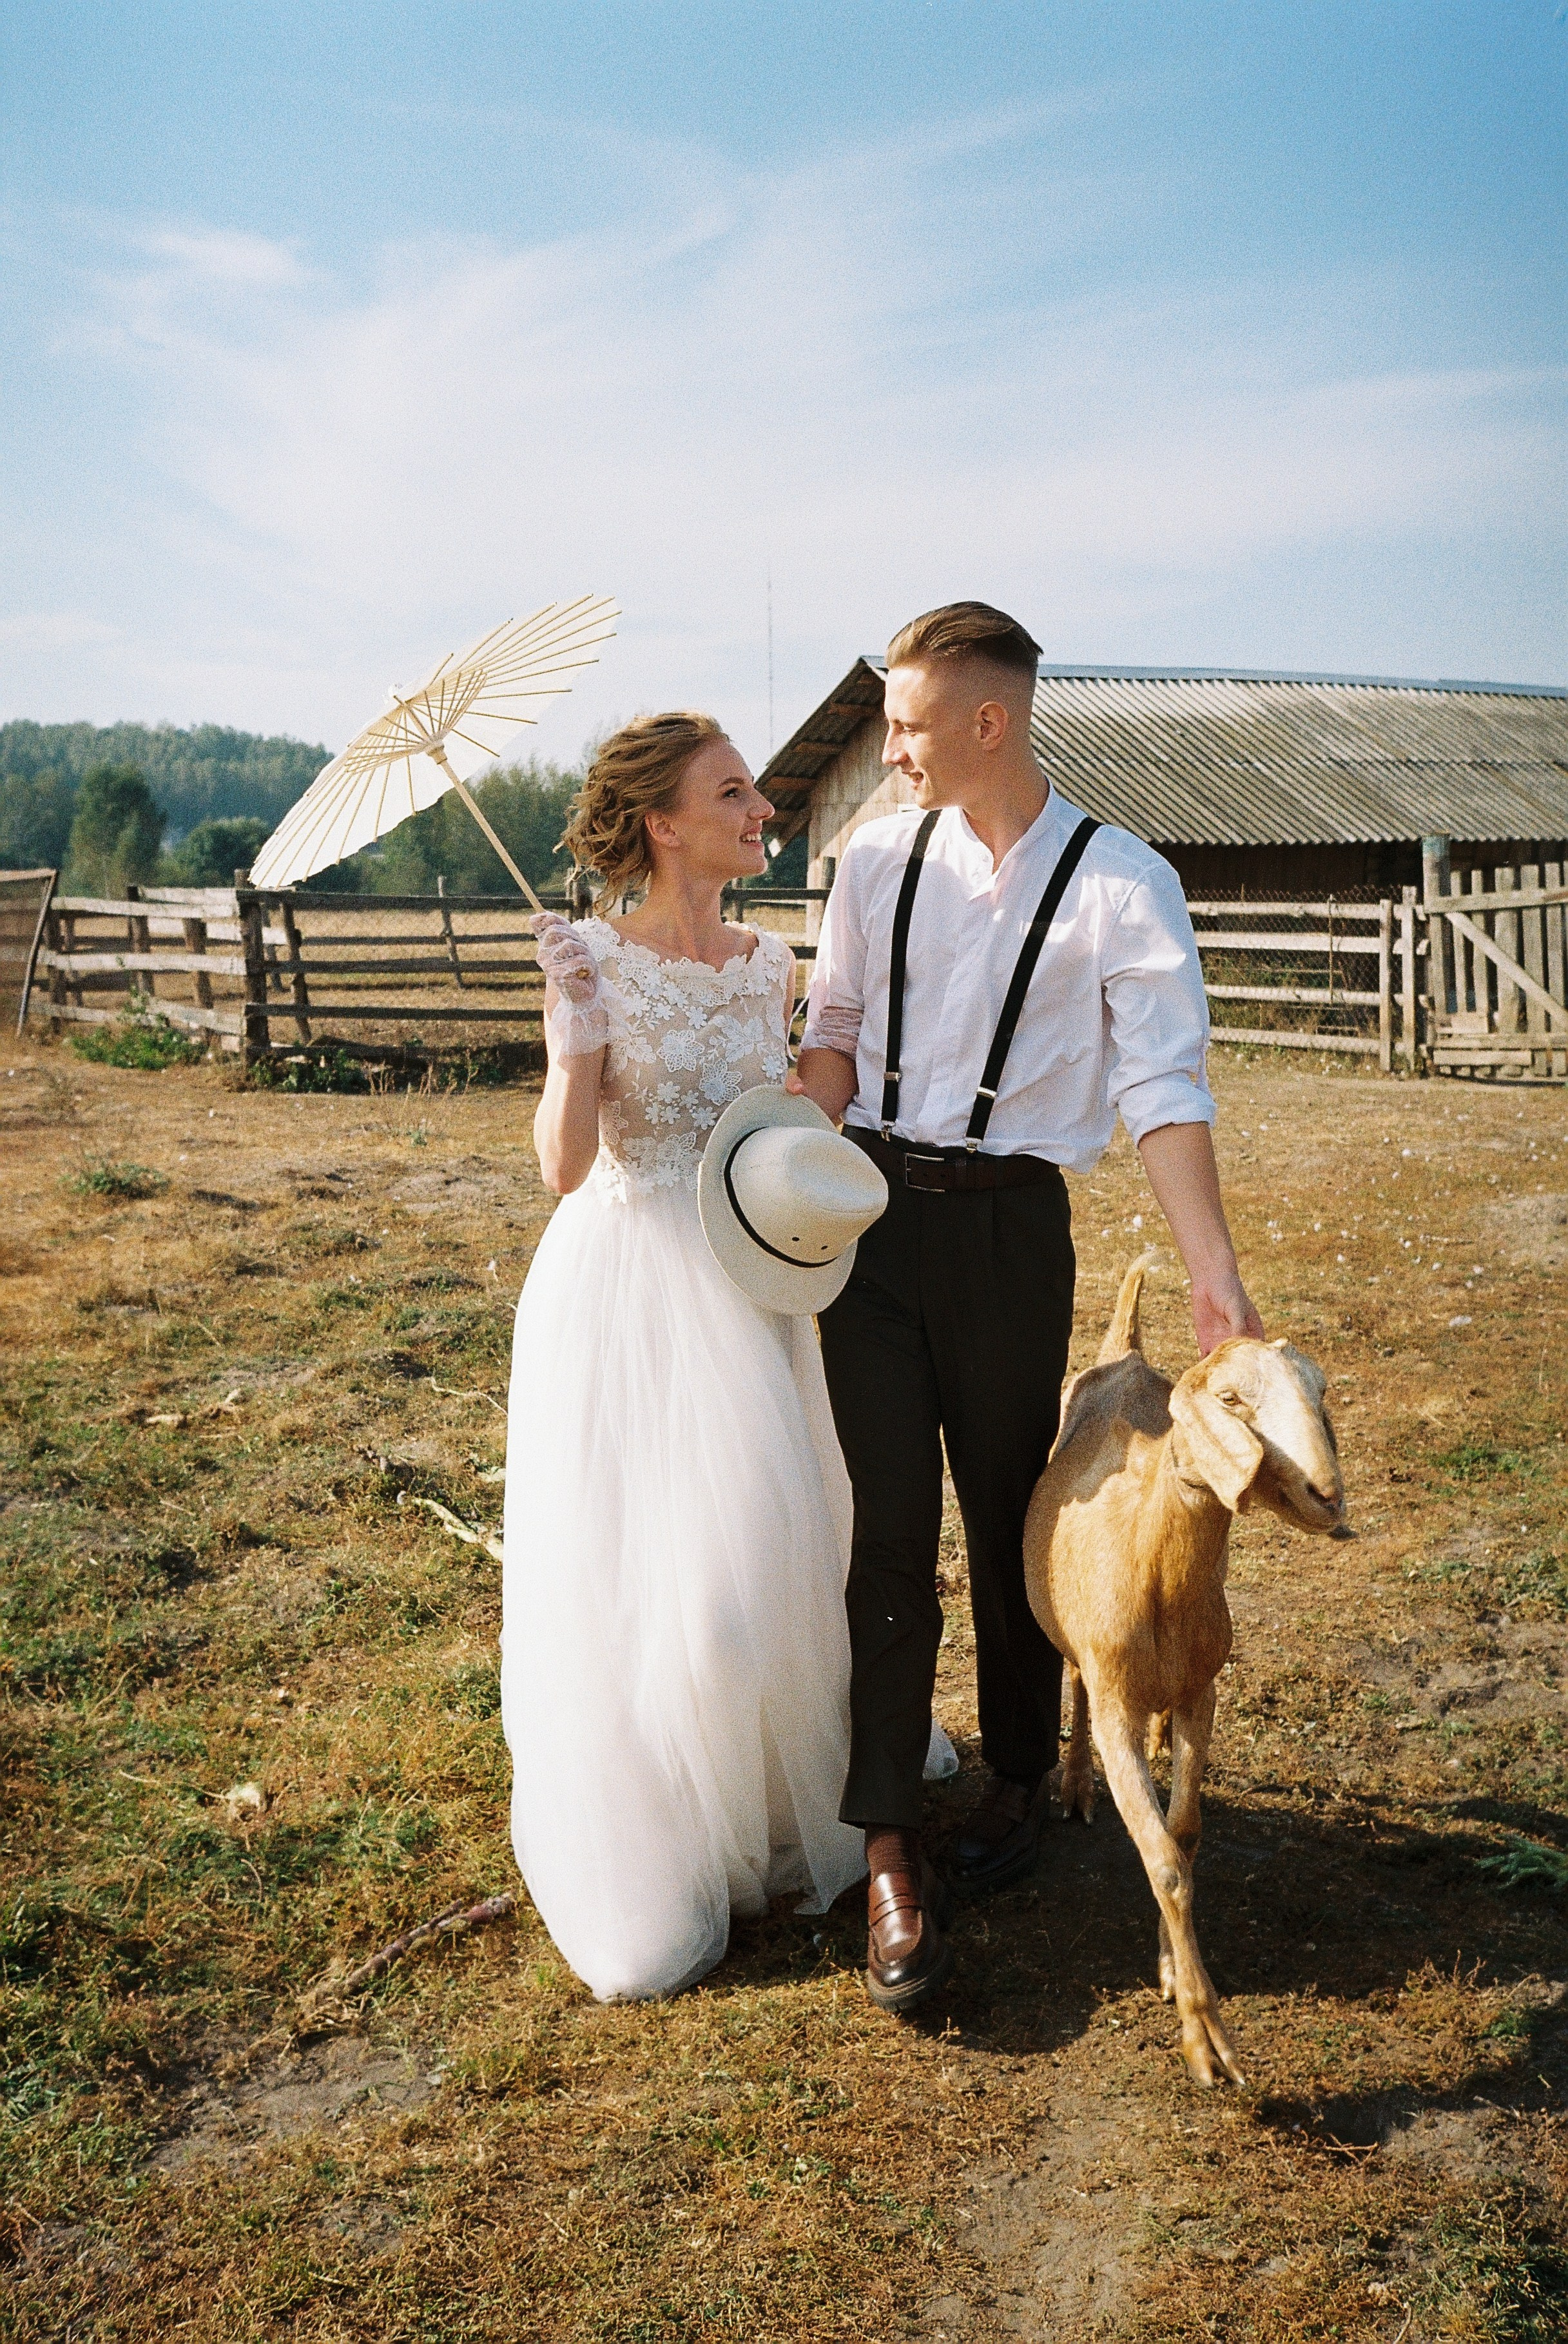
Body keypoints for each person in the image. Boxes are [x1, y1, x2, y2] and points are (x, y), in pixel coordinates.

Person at [790, 601, 1263, 2014]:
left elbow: (1162, 1090)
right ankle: (885, 1833)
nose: (889, 748)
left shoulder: (1125, 884)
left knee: (1008, 1507)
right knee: (883, 1521)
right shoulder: (873, 855)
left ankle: (1008, 1771)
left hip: (1009, 1231)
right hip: (867, 1219)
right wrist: (766, 1158)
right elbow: (831, 1034)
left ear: (987, 721)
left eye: (909, 722)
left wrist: (1210, 1275)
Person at [501, 712, 866, 2000]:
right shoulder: (590, 954)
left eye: (755, 791)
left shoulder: (770, 959)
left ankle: (768, 1802)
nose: (761, 809)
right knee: (652, 1575)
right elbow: (559, 1163)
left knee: (772, 1546)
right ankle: (662, 1832)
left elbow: (786, 1113)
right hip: (628, 1285)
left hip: (751, 1279)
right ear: (663, 821)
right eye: (733, 793)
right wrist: (572, 1028)